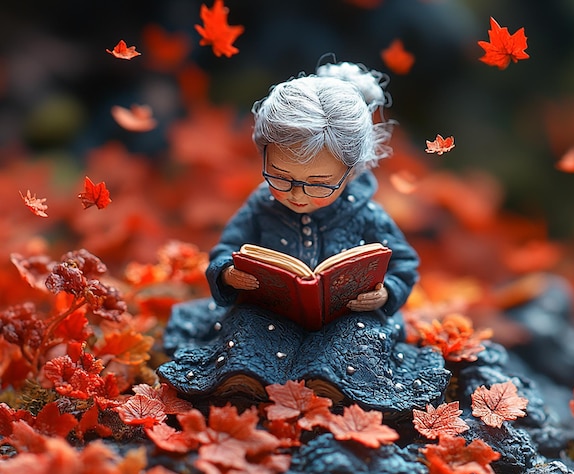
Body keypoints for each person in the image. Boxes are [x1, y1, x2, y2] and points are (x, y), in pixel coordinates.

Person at [157, 60, 449, 417]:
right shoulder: (261, 205)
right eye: (281, 177)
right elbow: (225, 249)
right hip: (270, 309)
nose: (297, 194)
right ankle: (244, 382)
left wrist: (386, 293)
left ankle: (331, 387)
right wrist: (228, 274)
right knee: (246, 326)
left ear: (351, 171)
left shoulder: (366, 214)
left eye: (319, 184)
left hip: (347, 315)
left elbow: (404, 262)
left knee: (356, 339)